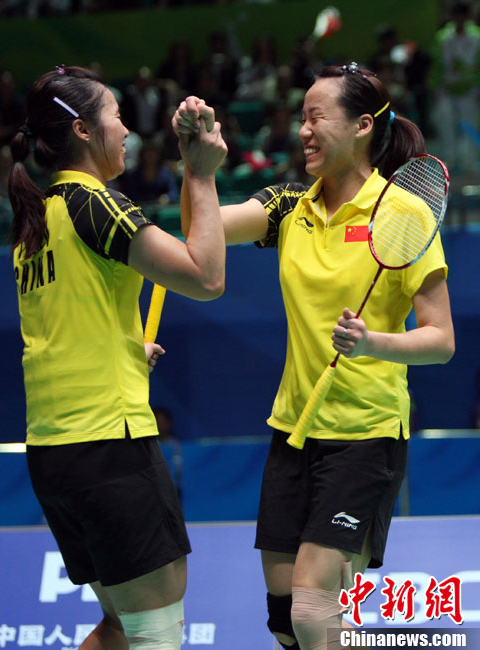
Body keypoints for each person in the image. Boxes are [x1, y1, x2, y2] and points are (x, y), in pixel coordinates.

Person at [173, 62, 455, 649]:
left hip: (365, 435)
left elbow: (441, 339)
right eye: (301, 117)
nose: (302, 129)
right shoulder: (288, 208)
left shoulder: (403, 213)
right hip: (295, 429)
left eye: (316, 117)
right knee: (286, 623)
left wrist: (372, 343)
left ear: (361, 126)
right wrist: (197, 167)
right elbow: (203, 228)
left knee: (311, 606)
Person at [8, 65, 227, 650]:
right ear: (83, 130)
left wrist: (128, 349)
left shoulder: (37, 215)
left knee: (118, 628)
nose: (127, 130)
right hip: (109, 444)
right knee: (155, 629)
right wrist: (201, 174)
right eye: (116, 115)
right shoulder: (94, 202)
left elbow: (69, 321)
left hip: (55, 449)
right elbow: (206, 277)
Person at [430, 1, 480, 175]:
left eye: (462, 16)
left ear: (467, 17)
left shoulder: (476, 36)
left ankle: (470, 161)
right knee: (446, 124)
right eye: (456, 15)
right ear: (451, 17)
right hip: (446, 87)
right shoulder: (443, 37)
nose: (459, 19)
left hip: (470, 88)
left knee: (469, 125)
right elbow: (437, 64)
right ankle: (449, 159)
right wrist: (435, 86)